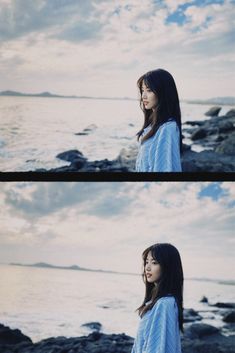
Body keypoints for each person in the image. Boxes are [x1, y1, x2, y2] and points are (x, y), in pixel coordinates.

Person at [131, 243, 184, 353]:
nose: (147, 267)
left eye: (154, 262)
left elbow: (157, 348)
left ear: (168, 267)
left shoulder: (164, 304)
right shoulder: (160, 302)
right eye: (146, 262)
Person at [135, 69, 182, 172]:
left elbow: (165, 169)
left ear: (163, 92)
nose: (143, 96)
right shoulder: (152, 126)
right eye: (142, 90)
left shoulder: (167, 128)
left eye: (149, 90)